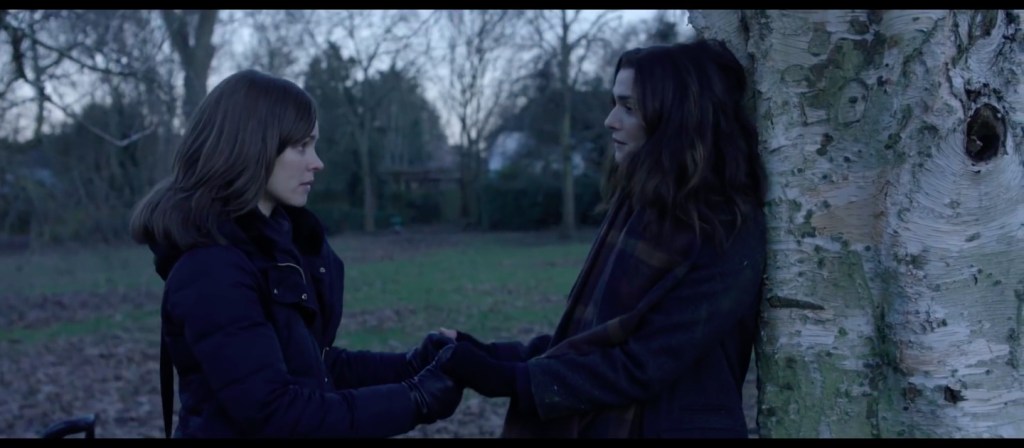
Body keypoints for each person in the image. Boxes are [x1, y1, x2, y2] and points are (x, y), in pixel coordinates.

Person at [434, 39, 768, 438]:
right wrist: (486, 354)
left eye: (629, 107)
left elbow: (644, 361)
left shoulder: (724, 226)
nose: (611, 120)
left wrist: (507, 378)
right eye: (615, 103)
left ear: (676, 116)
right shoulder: (639, 208)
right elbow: (587, 341)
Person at [129, 69, 461, 438]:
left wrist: (414, 366)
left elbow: (312, 368)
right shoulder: (212, 270)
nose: (316, 162)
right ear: (251, 146)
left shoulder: (271, 252)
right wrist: (414, 399)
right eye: (301, 146)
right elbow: (276, 413)